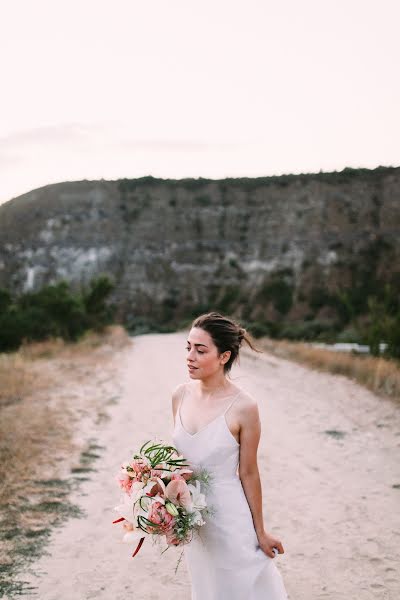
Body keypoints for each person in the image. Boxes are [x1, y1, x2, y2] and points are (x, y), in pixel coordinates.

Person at [171, 311, 289, 599]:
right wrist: (166, 507)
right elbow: (176, 462)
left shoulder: (244, 407)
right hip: (195, 519)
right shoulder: (179, 395)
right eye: (188, 347)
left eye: (200, 350)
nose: (190, 356)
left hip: (229, 519)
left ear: (224, 357)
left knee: (240, 588)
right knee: (207, 590)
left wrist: (260, 532)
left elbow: (248, 472)